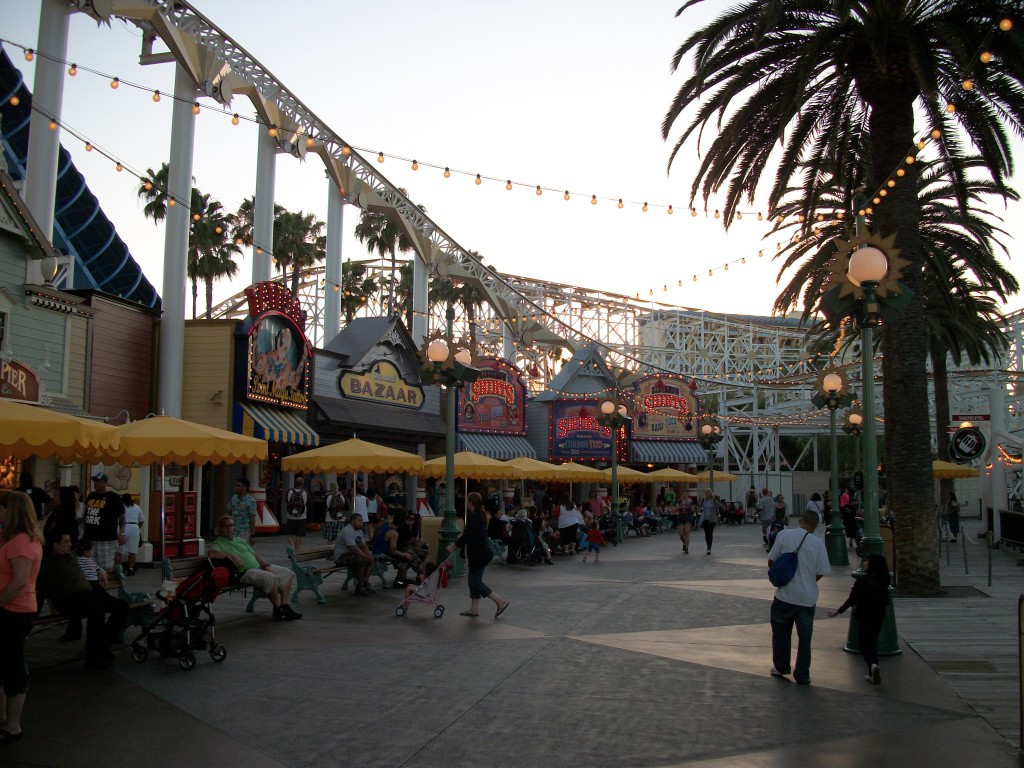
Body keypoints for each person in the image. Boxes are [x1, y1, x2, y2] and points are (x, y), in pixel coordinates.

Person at [37, 531, 129, 669]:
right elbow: (41, 585)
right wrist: (49, 605)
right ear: (55, 545)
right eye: (66, 542)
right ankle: (93, 655)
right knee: (97, 611)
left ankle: (103, 646)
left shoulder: (70, 557)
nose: (70, 545)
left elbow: (89, 563)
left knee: (122, 607)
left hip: (87, 591)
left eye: (70, 541)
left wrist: (99, 570)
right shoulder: (49, 561)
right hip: (68, 597)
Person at [768, 509, 831, 685]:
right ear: (815, 525)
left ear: (801, 520)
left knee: (781, 633)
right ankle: (802, 674)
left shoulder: (784, 535)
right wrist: (809, 581)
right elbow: (821, 572)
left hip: (785, 596)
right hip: (807, 598)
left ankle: (781, 666)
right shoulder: (817, 543)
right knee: (805, 638)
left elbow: (771, 560)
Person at [0, 492, 43, 741]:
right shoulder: (17, 539)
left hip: (13, 610)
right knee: (5, 663)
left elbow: (18, 581)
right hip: (13, 609)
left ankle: (12, 724)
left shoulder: (21, 543)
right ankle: (5, 719)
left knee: (12, 665)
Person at [208, 516, 301, 621]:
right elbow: (211, 553)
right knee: (270, 577)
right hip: (244, 572)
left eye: (230, 526)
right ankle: (278, 609)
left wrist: (265, 565)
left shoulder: (239, 540)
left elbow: (255, 554)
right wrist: (231, 556)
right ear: (219, 528)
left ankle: (285, 606)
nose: (228, 529)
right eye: (225, 526)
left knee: (287, 573)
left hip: (258, 567)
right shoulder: (218, 544)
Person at [828, 554, 891, 684]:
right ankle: (872, 671)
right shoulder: (883, 581)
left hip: (865, 615)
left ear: (872, 565)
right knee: (872, 643)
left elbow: (852, 599)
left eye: (867, 561)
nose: (865, 563)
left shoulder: (863, 581)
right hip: (878, 615)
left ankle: (872, 665)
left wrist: (838, 611)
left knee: (863, 644)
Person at [449, 492, 509, 618]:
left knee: (474, 581)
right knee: (473, 580)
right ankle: (474, 609)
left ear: (471, 503)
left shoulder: (475, 517)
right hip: (480, 554)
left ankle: (499, 601)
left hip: (480, 555)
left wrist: (454, 546)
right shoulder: (478, 515)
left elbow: (467, 535)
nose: (466, 503)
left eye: (467, 501)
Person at [83, 473, 125, 572]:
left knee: (105, 566)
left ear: (105, 483)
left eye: (99, 482)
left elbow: (122, 517)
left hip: (106, 537)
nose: (96, 484)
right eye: (95, 481)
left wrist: (122, 533)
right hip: (90, 536)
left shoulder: (113, 497)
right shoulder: (91, 495)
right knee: (89, 565)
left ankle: (105, 584)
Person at [333, 513, 376, 596]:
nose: (361, 522)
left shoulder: (359, 531)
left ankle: (365, 582)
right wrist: (366, 556)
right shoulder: (347, 530)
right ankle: (360, 586)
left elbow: (363, 545)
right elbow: (353, 548)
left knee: (371, 560)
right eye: (359, 520)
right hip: (341, 556)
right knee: (361, 560)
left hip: (352, 555)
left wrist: (369, 556)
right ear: (352, 521)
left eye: (362, 521)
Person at [371, 511, 415, 587]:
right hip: (381, 552)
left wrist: (375, 537)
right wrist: (404, 554)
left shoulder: (385, 523)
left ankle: (401, 580)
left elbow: (375, 527)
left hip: (376, 548)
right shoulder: (394, 533)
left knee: (402, 556)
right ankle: (400, 581)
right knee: (405, 558)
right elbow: (393, 551)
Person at [118, 493, 144, 575]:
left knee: (118, 551)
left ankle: (118, 568)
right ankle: (130, 569)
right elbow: (142, 520)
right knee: (133, 551)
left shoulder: (120, 506)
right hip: (133, 527)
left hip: (121, 527)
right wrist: (137, 527)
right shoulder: (137, 507)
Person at [228, 478, 258, 546]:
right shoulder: (234, 498)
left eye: (238, 486)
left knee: (242, 550)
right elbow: (228, 512)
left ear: (245, 487)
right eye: (236, 486)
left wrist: (253, 535)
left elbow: (252, 518)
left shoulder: (251, 501)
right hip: (233, 530)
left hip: (244, 531)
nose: (236, 488)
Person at [284, 476, 309, 552]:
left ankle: (291, 547)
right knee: (299, 535)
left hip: (291, 516)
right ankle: (296, 551)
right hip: (302, 516)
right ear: (302, 484)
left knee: (289, 533)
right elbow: (309, 502)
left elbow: (286, 501)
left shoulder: (290, 491)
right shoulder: (305, 492)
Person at [700, 489, 719, 555]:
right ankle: (708, 545)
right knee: (706, 533)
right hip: (705, 519)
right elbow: (700, 507)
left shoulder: (714, 500)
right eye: (706, 492)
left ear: (711, 493)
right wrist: (701, 509)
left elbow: (717, 508)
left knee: (710, 533)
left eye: (708, 492)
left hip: (712, 519)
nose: (707, 494)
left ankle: (709, 548)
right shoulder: (703, 500)